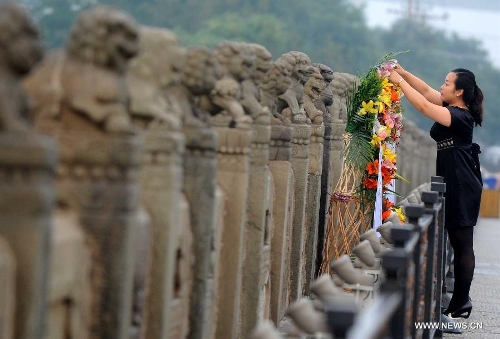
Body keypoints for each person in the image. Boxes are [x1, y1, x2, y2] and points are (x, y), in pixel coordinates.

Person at [388, 66, 483, 319]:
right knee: (455, 239)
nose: (442, 86)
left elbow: (422, 106)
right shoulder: (450, 107)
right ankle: (457, 299)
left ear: (459, 91)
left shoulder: (461, 116)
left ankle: (461, 301)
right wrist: (403, 73)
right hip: (452, 180)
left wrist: (398, 83)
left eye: (447, 83)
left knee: (462, 242)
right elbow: (426, 92)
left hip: (462, 184)